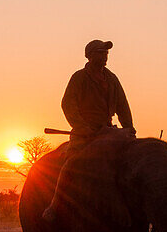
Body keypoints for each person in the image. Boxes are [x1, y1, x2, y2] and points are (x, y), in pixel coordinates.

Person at [42, 40, 135, 222]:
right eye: (101, 52)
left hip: (108, 131)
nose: (105, 56)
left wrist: (129, 129)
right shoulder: (79, 78)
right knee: (72, 161)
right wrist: (82, 127)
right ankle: (55, 204)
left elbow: (123, 106)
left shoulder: (113, 79)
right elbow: (68, 104)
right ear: (90, 55)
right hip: (85, 133)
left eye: (106, 53)